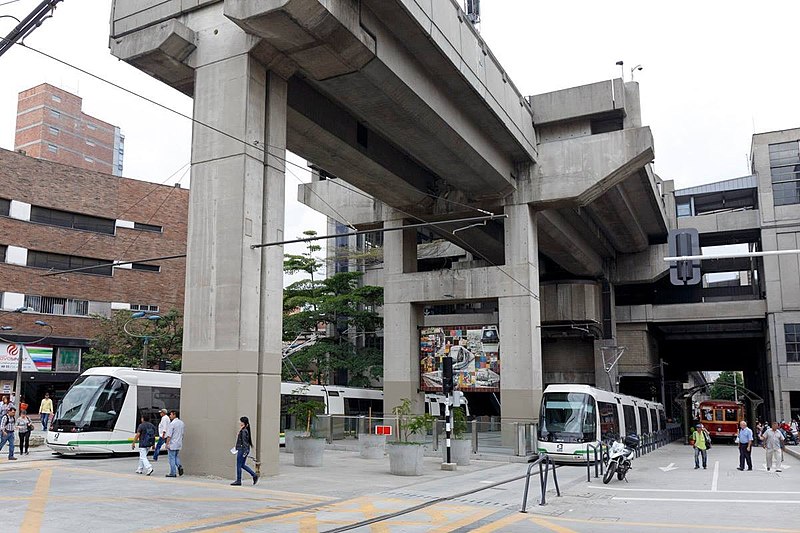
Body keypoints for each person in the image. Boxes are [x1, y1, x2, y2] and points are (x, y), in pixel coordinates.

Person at [231, 416, 259, 486]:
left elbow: (245, 442)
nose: (239, 422)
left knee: (239, 465)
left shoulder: (244, 431)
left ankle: (238, 480)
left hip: (242, 450)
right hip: (242, 449)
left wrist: (245, 451)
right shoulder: (245, 430)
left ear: (243, 422)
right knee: (242, 465)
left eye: (240, 421)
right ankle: (254, 475)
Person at [164, 410, 185, 478]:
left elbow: (169, 435)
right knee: (176, 456)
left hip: (172, 443)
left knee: (171, 458)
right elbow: (182, 434)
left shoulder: (172, 424)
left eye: (171, 414)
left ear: (174, 415)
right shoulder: (181, 423)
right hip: (179, 443)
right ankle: (179, 466)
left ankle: (173, 473)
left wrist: (167, 444)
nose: (170, 416)